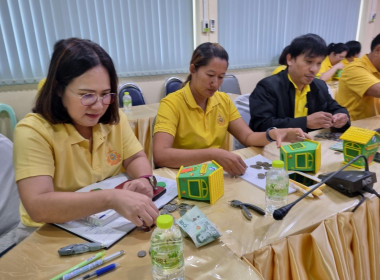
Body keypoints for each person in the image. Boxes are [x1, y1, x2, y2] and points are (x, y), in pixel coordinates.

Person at [13, 38, 159, 241]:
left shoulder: (114, 120)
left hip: (102, 223)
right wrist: (111, 198)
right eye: (87, 95)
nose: (99, 106)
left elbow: (135, 157)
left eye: (105, 94)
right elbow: (38, 206)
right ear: (58, 89)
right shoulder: (33, 131)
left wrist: (144, 179)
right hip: (48, 231)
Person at [153, 42, 309, 177]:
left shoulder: (223, 101)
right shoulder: (171, 104)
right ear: (193, 69)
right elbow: (161, 155)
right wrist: (212, 154)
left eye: (221, 77)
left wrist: (274, 134)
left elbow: (247, 137)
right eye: (210, 75)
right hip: (181, 177)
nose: (215, 83)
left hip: (213, 174)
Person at [249, 33, 350, 133]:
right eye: (309, 61)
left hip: (308, 144)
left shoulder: (319, 86)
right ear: (290, 59)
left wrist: (341, 117)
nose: (314, 69)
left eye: (319, 63)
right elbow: (261, 125)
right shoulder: (268, 87)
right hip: (277, 146)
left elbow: (336, 108)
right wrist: (305, 122)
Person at [335, 33, 380, 121]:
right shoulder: (354, 68)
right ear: (378, 50)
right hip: (352, 129)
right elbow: (378, 90)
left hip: (372, 126)